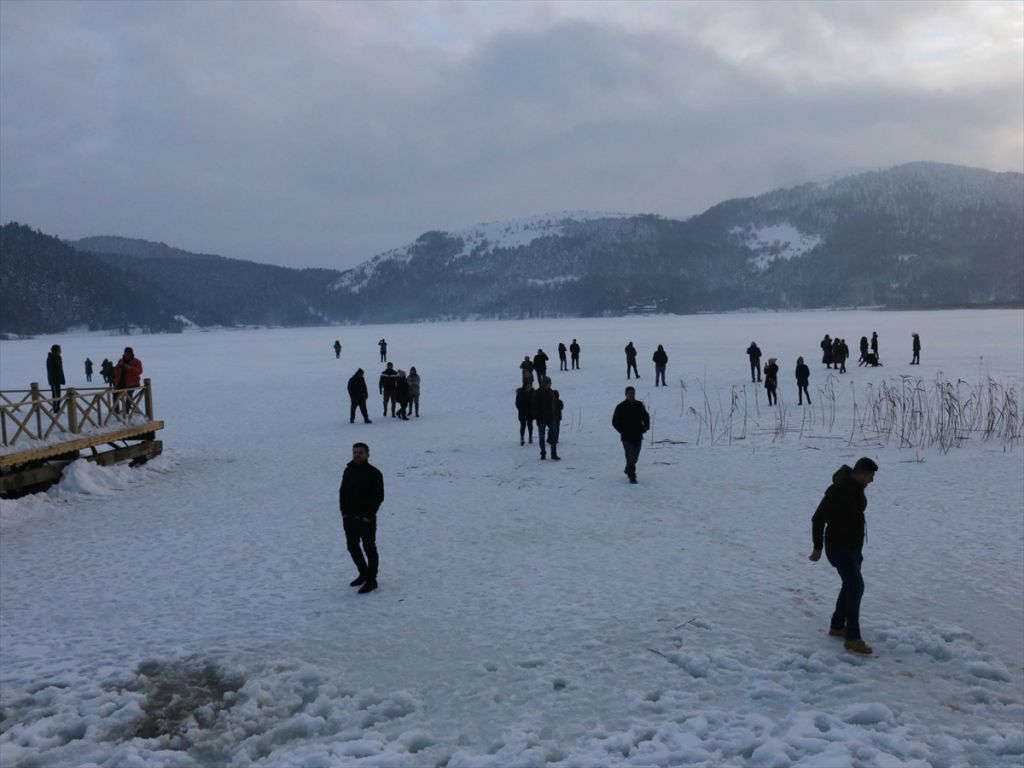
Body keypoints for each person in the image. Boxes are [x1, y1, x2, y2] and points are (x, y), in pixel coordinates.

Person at [809, 457, 879, 654]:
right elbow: (818, 518)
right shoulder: (838, 491)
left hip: (854, 549)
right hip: (838, 548)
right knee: (856, 586)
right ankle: (853, 638)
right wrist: (817, 547)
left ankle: (838, 625)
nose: (872, 481)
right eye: (871, 476)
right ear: (861, 473)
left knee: (849, 586)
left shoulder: (857, 490)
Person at [339, 442, 385, 594]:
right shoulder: (348, 470)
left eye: (360, 452)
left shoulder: (374, 473)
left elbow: (378, 497)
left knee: (369, 548)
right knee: (352, 546)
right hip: (349, 518)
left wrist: (368, 516)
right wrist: (344, 513)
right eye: (355, 452)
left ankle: (372, 580)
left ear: (367, 454)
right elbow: (343, 492)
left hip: (366, 519)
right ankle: (363, 573)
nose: (357, 455)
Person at [612, 386, 650, 484]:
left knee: (635, 457)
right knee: (630, 456)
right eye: (629, 393)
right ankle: (632, 476)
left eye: (633, 393)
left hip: (638, 435)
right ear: (626, 394)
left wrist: (646, 427)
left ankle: (628, 468)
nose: (631, 395)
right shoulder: (620, 407)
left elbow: (646, 417)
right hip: (626, 437)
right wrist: (622, 431)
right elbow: (615, 422)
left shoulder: (639, 405)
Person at [532, 376, 561, 460]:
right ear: (544, 384)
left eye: (550, 383)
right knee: (541, 437)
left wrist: (554, 413)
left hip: (551, 417)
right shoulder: (537, 393)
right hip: (541, 418)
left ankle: (553, 453)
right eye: (549, 383)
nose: (550, 385)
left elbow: (554, 403)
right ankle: (543, 453)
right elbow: (534, 406)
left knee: (554, 436)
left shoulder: (551, 392)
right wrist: (537, 416)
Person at [113, 347, 143, 415]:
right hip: (121, 382)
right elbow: (116, 371)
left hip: (133, 383)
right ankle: (116, 412)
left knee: (129, 395)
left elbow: (140, 371)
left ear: (131, 353)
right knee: (115, 394)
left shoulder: (137, 361)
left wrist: (131, 368)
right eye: (126, 353)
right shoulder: (120, 361)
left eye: (128, 353)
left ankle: (126, 413)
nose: (127, 355)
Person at [46, 344, 65, 413]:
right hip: (54, 380)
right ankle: (56, 409)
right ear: (56, 350)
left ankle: (57, 408)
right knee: (55, 395)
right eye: (60, 349)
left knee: (58, 394)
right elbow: (53, 370)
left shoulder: (56, 357)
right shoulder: (51, 358)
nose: (61, 351)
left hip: (57, 379)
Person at [515, 379, 535, 445]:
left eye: (530, 386)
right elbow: (517, 403)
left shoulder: (533, 392)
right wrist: (520, 409)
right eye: (528, 386)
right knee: (523, 425)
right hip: (522, 412)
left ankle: (530, 437)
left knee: (530, 425)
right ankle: (522, 438)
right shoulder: (520, 393)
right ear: (525, 386)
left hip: (530, 412)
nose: (529, 387)